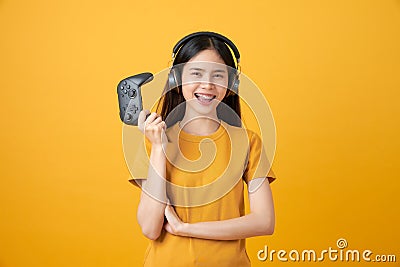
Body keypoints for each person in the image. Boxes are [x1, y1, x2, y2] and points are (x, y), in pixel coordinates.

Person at [129, 32, 276, 266]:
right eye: (196, 74)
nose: (207, 85)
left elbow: (264, 222)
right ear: (176, 81)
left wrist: (186, 228)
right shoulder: (153, 140)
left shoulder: (248, 142)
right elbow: (150, 227)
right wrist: (159, 147)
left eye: (218, 75)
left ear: (231, 84)